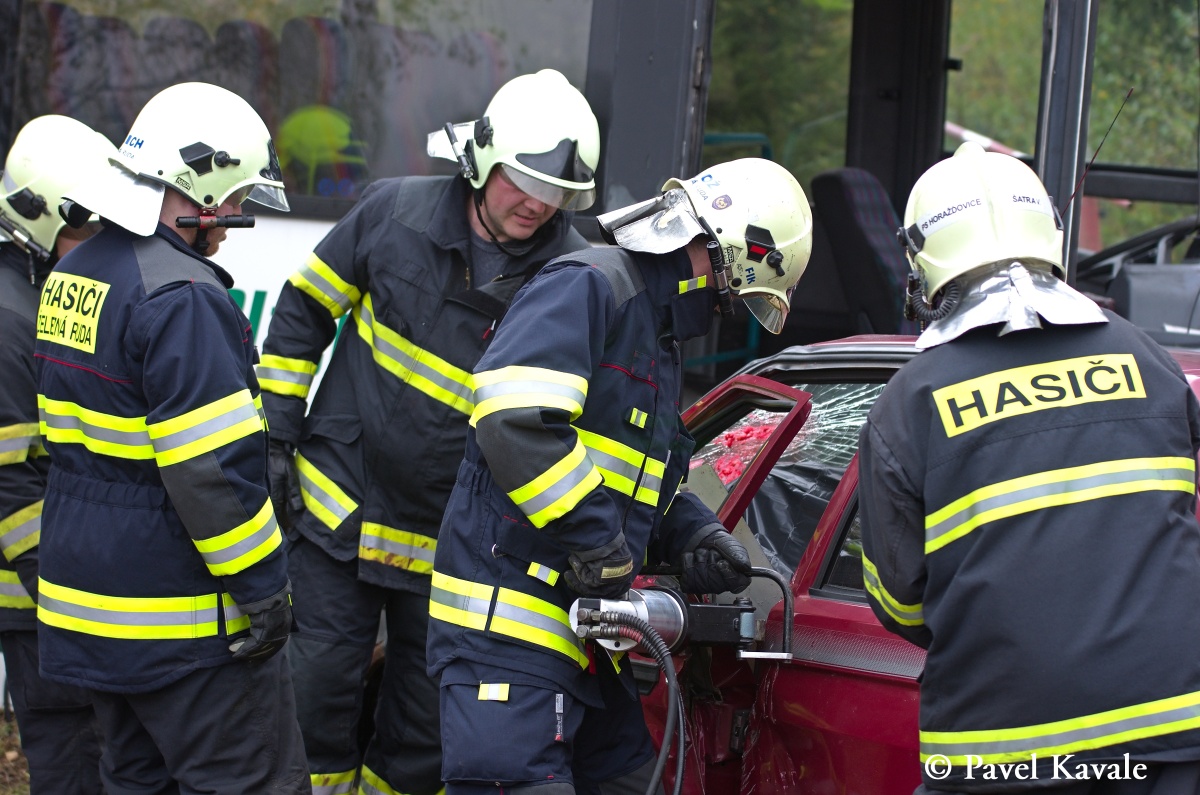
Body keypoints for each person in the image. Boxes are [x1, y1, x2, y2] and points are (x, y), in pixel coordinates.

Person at [258, 68, 600, 795]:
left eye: (557, 192)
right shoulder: (394, 214)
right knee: (313, 694)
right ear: (482, 161)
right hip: (340, 514)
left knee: (422, 731)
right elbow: (303, 312)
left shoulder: (572, 273)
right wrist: (276, 436)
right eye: (522, 179)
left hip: (456, 547)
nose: (538, 202)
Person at [426, 157, 813, 794]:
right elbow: (514, 420)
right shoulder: (591, 285)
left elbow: (632, 479)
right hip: (508, 637)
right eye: (732, 294)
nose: (723, 311)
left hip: (582, 639)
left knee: (637, 780)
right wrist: (596, 540)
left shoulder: (652, 333)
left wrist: (692, 534)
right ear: (722, 256)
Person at [858, 142, 1200, 793]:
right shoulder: (1150, 362)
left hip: (1005, 747)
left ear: (924, 263)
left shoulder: (911, 404)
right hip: (1174, 732)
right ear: (1049, 234)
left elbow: (898, 601)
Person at [33, 82, 309, 793]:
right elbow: (213, 475)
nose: (237, 219)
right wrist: (266, 591)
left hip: (90, 611)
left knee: (136, 782)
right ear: (202, 188)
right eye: (239, 199)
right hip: (180, 628)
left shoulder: (71, 274)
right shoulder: (182, 296)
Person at [0, 114, 112, 793]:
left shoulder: (34, 293)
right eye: (87, 230)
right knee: (75, 768)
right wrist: (74, 604)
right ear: (40, 220)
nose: (99, 246)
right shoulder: (11, 321)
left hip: (52, 598)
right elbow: (14, 492)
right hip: (41, 605)